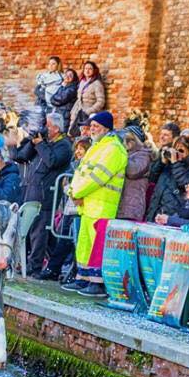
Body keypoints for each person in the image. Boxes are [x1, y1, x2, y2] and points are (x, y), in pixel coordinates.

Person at [62, 111, 126, 297]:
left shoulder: (113, 148)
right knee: (84, 243)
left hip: (103, 205)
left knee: (97, 245)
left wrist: (77, 192)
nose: (92, 130)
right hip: (88, 204)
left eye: (96, 126)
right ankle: (83, 277)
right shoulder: (97, 146)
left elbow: (97, 177)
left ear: (106, 128)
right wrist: (73, 192)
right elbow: (81, 172)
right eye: (91, 127)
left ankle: (97, 282)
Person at [13, 112, 73, 272]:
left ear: (56, 128)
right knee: (32, 230)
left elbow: (52, 161)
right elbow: (21, 157)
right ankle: (33, 264)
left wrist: (40, 144)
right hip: (31, 191)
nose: (44, 129)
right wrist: (33, 142)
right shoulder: (44, 142)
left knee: (38, 233)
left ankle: (35, 267)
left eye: (47, 125)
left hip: (46, 195)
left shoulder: (64, 145)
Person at [37, 136, 93, 281]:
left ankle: (65, 270)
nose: (79, 151)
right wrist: (70, 191)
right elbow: (65, 182)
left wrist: (73, 192)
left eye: (82, 148)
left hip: (80, 208)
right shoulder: (74, 165)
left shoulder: (87, 166)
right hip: (70, 205)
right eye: (78, 148)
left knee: (72, 242)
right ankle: (54, 268)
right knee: (64, 239)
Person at [115, 125, 153, 222]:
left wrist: (120, 155)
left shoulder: (144, 155)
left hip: (131, 208)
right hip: (119, 206)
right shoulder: (126, 154)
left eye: (126, 138)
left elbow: (133, 171)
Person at [68, 61, 105, 134]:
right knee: (74, 134)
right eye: (86, 68)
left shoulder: (97, 83)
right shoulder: (82, 82)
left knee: (86, 134)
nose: (87, 71)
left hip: (89, 113)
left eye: (90, 69)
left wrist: (89, 111)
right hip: (78, 111)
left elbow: (101, 101)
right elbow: (79, 99)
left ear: (94, 70)